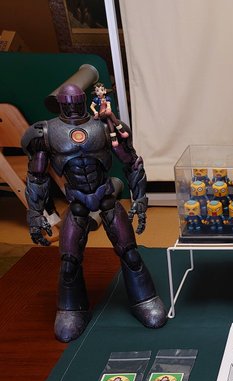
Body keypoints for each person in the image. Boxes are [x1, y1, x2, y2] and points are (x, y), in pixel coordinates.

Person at [22, 83, 167, 342]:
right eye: (68, 104)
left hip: (107, 197)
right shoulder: (46, 132)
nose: (73, 108)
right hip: (76, 201)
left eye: (77, 102)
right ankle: (72, 309)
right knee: (69, 263)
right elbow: (37, 176)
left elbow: (132, 162)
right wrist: (35, 212)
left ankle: (144, 299)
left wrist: (140, 198)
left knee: (130, 254)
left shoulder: (103, 126)